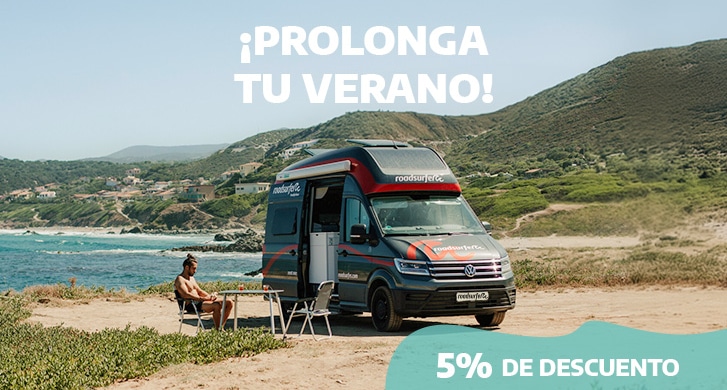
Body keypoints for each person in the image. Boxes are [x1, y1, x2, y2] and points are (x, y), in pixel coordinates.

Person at [174, 253, 233, 330]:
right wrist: (202, 299)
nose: (195, 271)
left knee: (229, 302)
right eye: (194, 268)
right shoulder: (180, 279)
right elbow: (186, 294)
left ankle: (220, 328)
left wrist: (209, 296)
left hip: (200, 302)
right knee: (216, 305)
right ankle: (218, 329)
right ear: (187, 267)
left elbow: (199, 290)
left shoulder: (191, 279)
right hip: (191, 305)